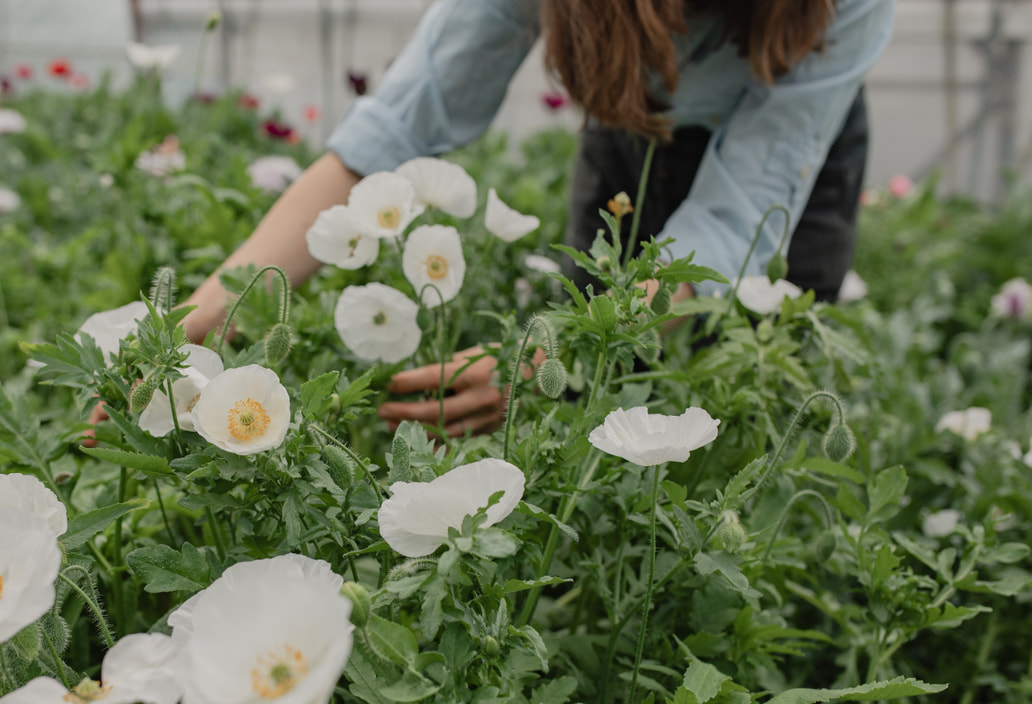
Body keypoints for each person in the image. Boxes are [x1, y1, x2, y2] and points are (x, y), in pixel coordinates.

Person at [119, 0, 894, 438]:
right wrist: (221, 300)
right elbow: (395, 130)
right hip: (632, 126)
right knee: (588, 404)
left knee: (752, 390)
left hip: (789, 166)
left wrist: (555, 351)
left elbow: (731, 223)